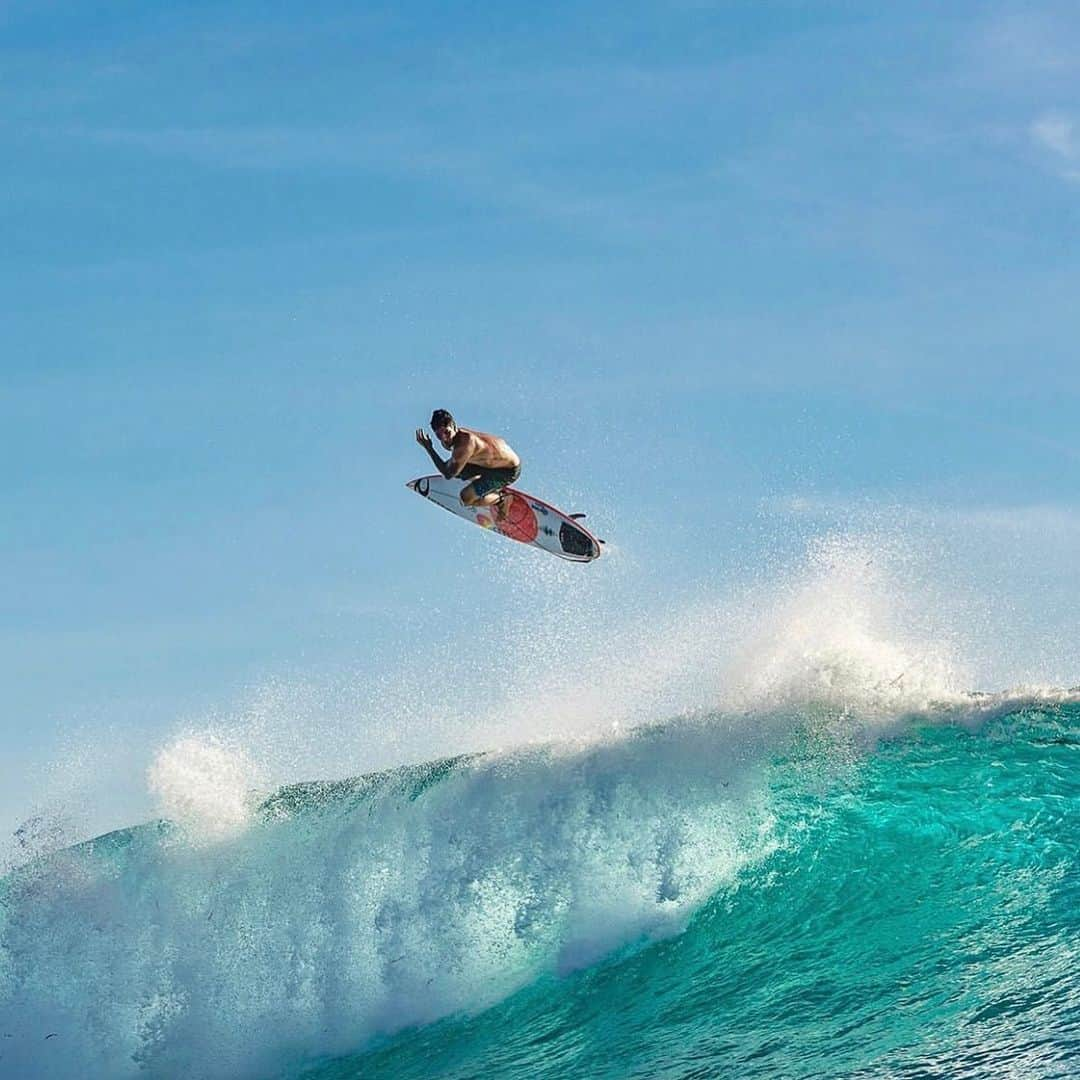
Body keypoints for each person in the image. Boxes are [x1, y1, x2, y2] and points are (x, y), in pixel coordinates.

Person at [415, 409, 521, 520]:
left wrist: (429, 448)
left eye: (447, 432)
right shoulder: (455, 436)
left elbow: (447, 474)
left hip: (508, 471)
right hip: (489, 464)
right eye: (439, 436)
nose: (445, 438)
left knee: (465, 498)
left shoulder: (465, 444)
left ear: (454, 426)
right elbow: (451, 464)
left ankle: (502, 500)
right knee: (455, 468)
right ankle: (479, 480)